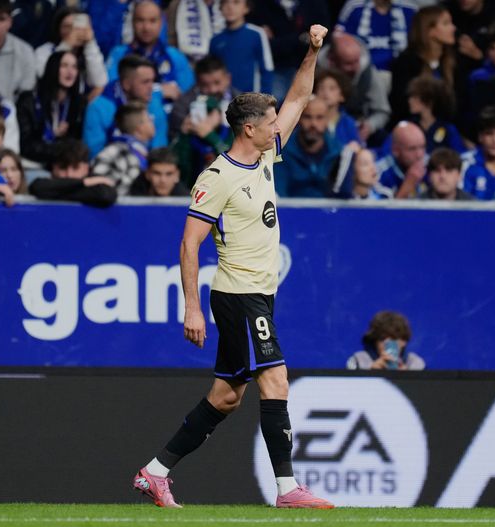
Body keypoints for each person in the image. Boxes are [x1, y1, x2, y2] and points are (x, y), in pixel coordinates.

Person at [131, 24, 335, 510]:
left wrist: (310, 51)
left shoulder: (265, 158)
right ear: (249, 129)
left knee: (226, 397)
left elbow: (301, 97)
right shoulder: (217, 178)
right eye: (269, 124)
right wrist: (191, 308)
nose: (277, 128)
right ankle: (288, 490)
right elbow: (189, 244)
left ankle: (154, 473)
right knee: (277, 379)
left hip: (259, 294)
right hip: (237, 294)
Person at [106, 0, 195, 110]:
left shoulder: (175, 56)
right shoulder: (118, 54)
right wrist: (158, 90)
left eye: (152, 21)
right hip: (130, 119)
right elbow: (111, 90)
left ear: (161, 23)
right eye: (140, 20)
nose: (146, 27)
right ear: (132, 23)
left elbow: (189, 95)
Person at [170, 55, 239, 187]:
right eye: (205, 85)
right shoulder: (182, 106)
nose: (212, 90)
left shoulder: (244, 105)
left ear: (228, 79)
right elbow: (176, 154)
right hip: (193, 177)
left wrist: (208, 133)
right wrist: (185, 134)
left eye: (217, 83)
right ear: (197, 82)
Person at [84, 54, 168, 158]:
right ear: (126, 84)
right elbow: (94, 154)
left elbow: (159, 150)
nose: (152, 87)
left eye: (152, 81)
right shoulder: (98, 108)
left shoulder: (155, 105)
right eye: (145, 82)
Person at [389, 5, 457, 126]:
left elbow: (461, 105)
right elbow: (400, 104)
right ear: (430, 31)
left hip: (449, 128)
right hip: (413, 126)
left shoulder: (454, 61)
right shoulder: (406, 63)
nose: (453, 28)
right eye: (446, 24)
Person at [317, 32, 391, 143]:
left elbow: (382, 111)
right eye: (348, 63)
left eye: (357, 60)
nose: (356, 67)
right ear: (332, 60)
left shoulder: (368, 73)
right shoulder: (314, 71)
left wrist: (369, 126)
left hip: (357, 127)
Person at [17, 51, 86, 168]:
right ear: (53, 68)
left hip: (63, 166)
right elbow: (26, 145)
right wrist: (59, 148)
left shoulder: (78, 103)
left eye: (74, 67)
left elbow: (78, 143)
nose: (70, 72)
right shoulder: (29, 100)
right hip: (31, 165)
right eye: (64, 66)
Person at [34, 6, 108, 100]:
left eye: (76, 26)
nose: (72, 31)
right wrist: (66, 45)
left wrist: (90, 43)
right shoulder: (44, 51)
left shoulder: (87, 52)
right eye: (67, 27)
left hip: (75, 107)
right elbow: (45, 75)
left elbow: (99, 82)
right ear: (58, 29)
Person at [274, 97, 342, 197]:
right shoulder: (281, 152)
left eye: (319, 117)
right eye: (308, 117)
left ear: (327, 120)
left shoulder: (338, 153)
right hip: (292, 211)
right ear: (299, 119)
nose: (313, 124)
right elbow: (279, 196)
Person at [209, 0, 275, 94]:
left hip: (251, 98)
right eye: (225, 2)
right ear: (220, 7)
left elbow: (267, 69)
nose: (230, 7)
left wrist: (265, 101)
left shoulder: (256, 34)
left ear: (246, 8)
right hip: (225, 99)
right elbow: (212, 72)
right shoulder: (215, 40)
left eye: (236, 2)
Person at [29, 138, 117, 207]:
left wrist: (59, 192)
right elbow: (38, 188)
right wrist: (84, 182)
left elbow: (105, 195)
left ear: (86, 168)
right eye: (63, 168)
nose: (69, 175)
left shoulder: (98, 185)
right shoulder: (92, 181)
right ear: (53, 168)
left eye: (75, 168)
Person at [91, 101, 155, 196]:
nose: (153, 122)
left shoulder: (141, 151)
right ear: (139, 127)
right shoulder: (113, 152)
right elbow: (97, 186)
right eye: (149, 120)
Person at [336, 0, 416, 72]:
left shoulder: (410, 9)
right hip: (362, 73)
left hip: (400, 72)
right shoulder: (354, 6)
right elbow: (337, 40)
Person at [346, 311, 425, 370]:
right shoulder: (358, 360)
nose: (387, 343)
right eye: (382, 339)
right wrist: (370, 373)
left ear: (404, 341)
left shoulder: (416, 363)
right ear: (375, 341)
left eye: (393, 339)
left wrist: (407, 378)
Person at [406, 76, 466, 153]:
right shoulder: (407, 127)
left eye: (414, 97)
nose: (409, 100)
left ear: (429, 101)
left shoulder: (448, 129)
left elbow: (459, 156)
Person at [0, 0, 36, 102]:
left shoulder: (25, 52)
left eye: (1, 19)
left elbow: (26, 96)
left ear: (10, 22)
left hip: (12, 115)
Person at [375, 120, 427, 198]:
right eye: (412, 149)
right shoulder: (379, 173)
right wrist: (407, 187)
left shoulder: (430, 164)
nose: (419, 155)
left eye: (422, 147)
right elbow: (382, 210)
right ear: (396, 150)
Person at [313, 68, 361, 147]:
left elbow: (356, 146)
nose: (325, 92)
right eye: (321, 88)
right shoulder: (308, 119)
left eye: (332, 88)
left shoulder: (348, 123)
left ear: (342, 95)